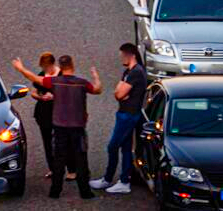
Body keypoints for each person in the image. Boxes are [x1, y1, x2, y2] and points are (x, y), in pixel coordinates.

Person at [12, 54, 103, 200]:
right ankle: (85, 192)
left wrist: (21, 68)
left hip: (60, 127)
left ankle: (55, 191)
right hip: (77, 128)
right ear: (72, 65)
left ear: (60, 67)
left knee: (59, 159)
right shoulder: (82, 83)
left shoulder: (54, 82)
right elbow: (98, 90)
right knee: (81, 159)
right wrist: (96, 76)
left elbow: (35, 78)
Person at [90, 43, 148, 195]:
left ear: (132, 55)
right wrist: (121, 92)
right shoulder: (128, 71)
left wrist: (121, 92)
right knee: (126, 148)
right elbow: (119, 91)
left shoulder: (136, 72)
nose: (121, 58)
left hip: (128, 115)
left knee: (113, 146)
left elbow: (119, 94)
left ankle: (109, 179)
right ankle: (124, 181)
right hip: (125, 113)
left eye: (123, 55)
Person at [30, 52, 76, 180]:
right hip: (43, 113)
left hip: (59, 112)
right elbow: (33, 92)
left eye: (46, 66)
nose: (45, 69)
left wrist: (55, 96)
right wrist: (40, 96)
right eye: (43, 67)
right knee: (47, 142)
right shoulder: (40, 76)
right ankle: (53, 168)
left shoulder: (62, 75)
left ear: (52, 64)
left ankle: (72, 169)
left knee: (63, 140)